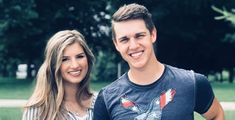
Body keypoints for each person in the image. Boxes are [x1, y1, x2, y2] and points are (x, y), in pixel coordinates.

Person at [93, 3, 224, 120]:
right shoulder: (106, 98)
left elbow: (216, 115)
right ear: (116, 44)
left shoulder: (192, 83)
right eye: (124, 39)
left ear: (153, 34)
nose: (133, 45)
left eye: (139, 36)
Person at [22, 30, 96, 120]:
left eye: (80, 56)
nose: (75, 65)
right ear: (53, 64)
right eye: (64, 59)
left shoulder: (101, 103)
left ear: (88, 59)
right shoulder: (38, 110)